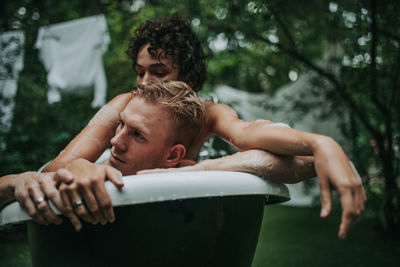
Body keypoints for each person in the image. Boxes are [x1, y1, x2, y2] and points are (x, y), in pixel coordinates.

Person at [10, 15, 365, 239]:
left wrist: (321, 143)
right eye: (139, 70)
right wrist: (84, 167)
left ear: (191, 78)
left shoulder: (207, 114)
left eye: (159, 72)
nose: (144, 82)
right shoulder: (126, 102)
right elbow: (59, 166)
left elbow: (248, 135)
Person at [0, 81, 206, 231]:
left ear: (172, 156)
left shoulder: (193, 182)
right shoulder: (83, 171)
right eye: (121, 124)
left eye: (137, 134)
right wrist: (15, 182)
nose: (115, 141)